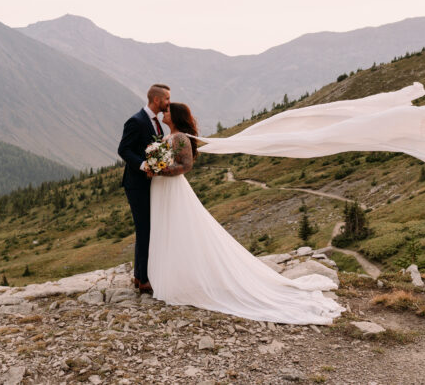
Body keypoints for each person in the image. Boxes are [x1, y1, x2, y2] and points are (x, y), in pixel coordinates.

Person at [147, 102, 344, 325]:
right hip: (162, 188)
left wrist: (160, 169)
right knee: (167, 228)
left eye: (168, 111)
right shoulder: (168, 135)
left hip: (172, 187)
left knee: (180, 227)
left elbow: (186, 165)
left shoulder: (180, 137)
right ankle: (176, 277)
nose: (164, 113)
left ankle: (183, 279)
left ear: (176, 116)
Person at [117, 83, 170, 294]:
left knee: (148, 229)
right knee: (144, 229)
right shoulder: (136, 121)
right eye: (166, 99)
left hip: (150, 184)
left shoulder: (156, 123)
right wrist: (144, 165)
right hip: (137, 184)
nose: (168, 103)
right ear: (157, 100)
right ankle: (144, 279)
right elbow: (124, 149)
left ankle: (139, 276)